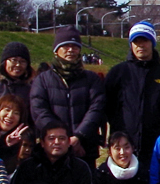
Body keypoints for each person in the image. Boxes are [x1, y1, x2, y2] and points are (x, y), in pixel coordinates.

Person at [104, 21, 160, 184]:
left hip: (155, 144)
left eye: (144, 41)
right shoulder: (118, 73)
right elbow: (106, 106)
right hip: (123, 145)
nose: (140, 46)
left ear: (152, 43)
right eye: (136, 42)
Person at [30, 26, 108, 163]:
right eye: (65, 46)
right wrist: (60, 139)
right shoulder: (42, 80)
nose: (71, 50)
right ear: (56, 51)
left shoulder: (91, 79)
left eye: (75, 46)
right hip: (52, 151)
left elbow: (96, 109)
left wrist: (78, 137)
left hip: (85, 149)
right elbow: (39, 111)